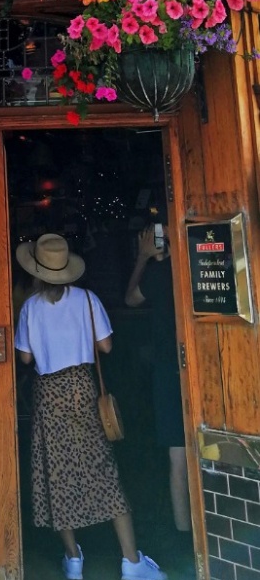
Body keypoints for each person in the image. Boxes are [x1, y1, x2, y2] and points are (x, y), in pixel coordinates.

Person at [14, 232, 168, 580]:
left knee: (56, 475)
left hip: (48, 394)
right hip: (82, 388)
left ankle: (73, 559)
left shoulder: (30, 308)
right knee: (103, 470)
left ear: (37, 271)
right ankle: (131, 560)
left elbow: (25, 358)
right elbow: (107, 345)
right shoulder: (87, 300)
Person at [125, 223, 191, 533]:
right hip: (200, 366)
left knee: (178, 458)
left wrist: (143, 257)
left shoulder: (159, 274)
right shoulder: (197, 265)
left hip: (169, 368)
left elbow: (130, 298)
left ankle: (184, 536)